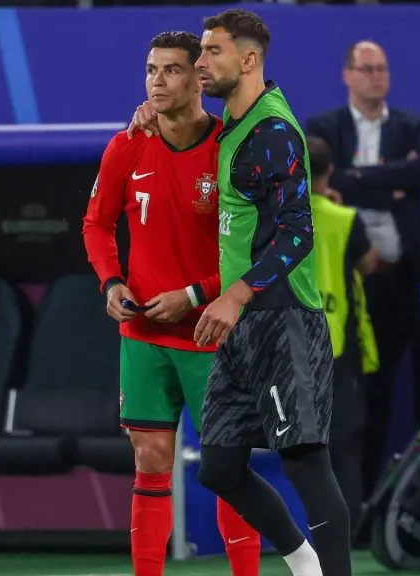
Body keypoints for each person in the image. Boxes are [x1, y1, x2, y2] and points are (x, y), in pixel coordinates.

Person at [127, 9, 352, 576]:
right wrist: (151, 111)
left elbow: (298, 231)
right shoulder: (232, 123)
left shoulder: (273, 132)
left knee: (304, 459)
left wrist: (234, 296)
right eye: (199, 53)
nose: (200, 63)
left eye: (213, 52)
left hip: (283, 316)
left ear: (249, 59)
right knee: (219, 468)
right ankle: (304, 563)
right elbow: (185, 128)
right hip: (241, 324)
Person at [81, 31, 260, 576]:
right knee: (151, 460)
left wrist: (195, 294)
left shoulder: (230, 148)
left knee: (228, 467)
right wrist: (112, 283)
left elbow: (250, 250)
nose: (157, 81)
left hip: (211, 334)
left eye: (171, 70)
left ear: (199, 78)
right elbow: (96, 224)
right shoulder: (127, 145)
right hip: (144, 338)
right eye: (150, 70)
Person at [305, 40, 420, 502]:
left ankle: (371, 503)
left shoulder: (410, 125)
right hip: (345, 290)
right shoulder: (322, 127)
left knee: (388, 395)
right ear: (348, 75)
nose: (377, 77)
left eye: (383, 68)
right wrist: (390, 181)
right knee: (342, 403)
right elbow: (326, 182)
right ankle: (341, 505)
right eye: (368, 69)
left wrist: (359, 181)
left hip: (399, 281)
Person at [307, 134, 379, 532]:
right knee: (345, 445)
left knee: (303, 446)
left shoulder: (281, 217)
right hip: (338, 344)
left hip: (293, 344)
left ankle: (308, 528)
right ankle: (344, 532)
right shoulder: (345, 219)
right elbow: (368, 263)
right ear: (330, 170)